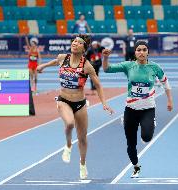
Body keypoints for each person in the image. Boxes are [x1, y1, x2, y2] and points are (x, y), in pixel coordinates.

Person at [37, 34, 113, 179]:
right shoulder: (62, 58)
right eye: (74, 41)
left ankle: (82, 164)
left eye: (79, 43)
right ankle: (68, 146)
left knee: (83, 138)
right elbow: (55, 61)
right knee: (70, 123)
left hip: (80, 104)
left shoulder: (86, 66)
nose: (75, 44)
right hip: (63, 100)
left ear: (84, 48)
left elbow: (98, 85)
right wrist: (43, 66)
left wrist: (104, 103)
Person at [102, 40, 173, 178]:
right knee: (131, 144)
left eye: (144, 50)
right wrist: (105, 57)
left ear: (148, 52)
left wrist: (169, 100)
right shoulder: (128, 66)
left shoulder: (155, 67)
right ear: (135, 52)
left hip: (148, 108)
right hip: (131, 110)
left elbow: (165, 82)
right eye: (139, 50)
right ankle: (136, 166)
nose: (141, 52)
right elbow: (106, 69)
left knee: (146, 137)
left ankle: (151, 123)